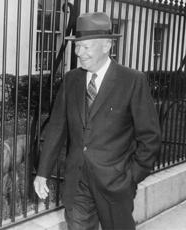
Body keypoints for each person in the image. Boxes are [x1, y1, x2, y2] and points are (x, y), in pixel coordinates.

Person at [33, 12, 161, 230]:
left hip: (115, 184)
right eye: (77, 46)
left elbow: (150, 137)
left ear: (106, 45)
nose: (78, 53)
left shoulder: (131, 81)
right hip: (77, 183)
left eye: (85, 46)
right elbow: (56, 128)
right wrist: (42, 172)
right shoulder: (71, 80)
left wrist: (131, 178)